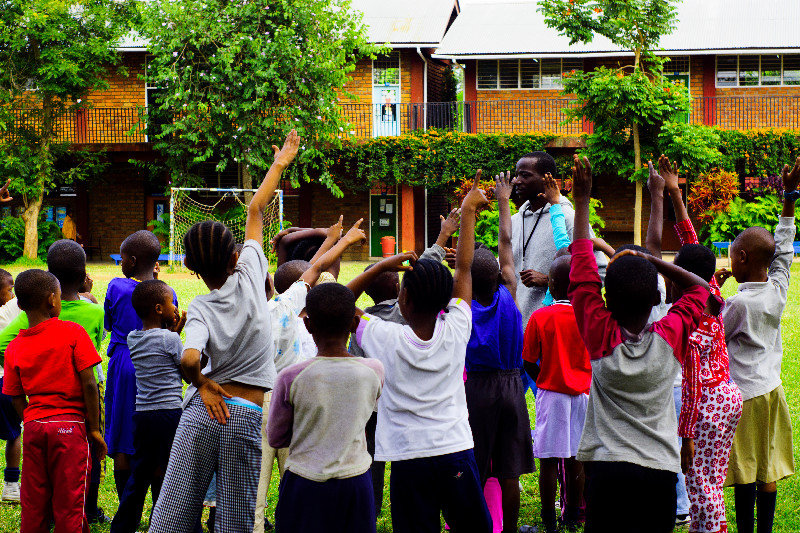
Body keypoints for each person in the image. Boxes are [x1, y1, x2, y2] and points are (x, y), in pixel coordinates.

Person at [149, 129, 300, 533]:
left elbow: (189, 358)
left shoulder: (198, 307)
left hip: (202, 412)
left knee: (171, 517)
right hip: (246, 415)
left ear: (195, 272)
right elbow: (256, 210)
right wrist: (280, 162)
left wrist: (200, 383)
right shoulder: (252, 274)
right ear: (237, 256)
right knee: (234, 521)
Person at [568, 154, 710, 533]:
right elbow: (702, 288)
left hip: (606, 470)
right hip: (658, 473)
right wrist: (655, 263)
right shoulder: (670, 334)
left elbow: (581, 269)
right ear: (656, 300)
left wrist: (582, 201)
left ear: (606, 301)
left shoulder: (598, 333)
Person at [349, 172, 492, 533]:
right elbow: (462, 268)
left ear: (404, 298)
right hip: (455, 449)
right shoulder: (459, 326)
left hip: (408, 458)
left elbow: (334, 303)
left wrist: (380, 265)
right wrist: (468, 212)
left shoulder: (383, 336)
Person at [649, 154, 744, 533]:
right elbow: (693, 243)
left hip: (704, 406)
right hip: (729, 399)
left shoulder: (688, 324)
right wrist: (673, 193)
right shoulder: (714, 294)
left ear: (679, 280)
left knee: (700, 485)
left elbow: (689, 387)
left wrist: (685, 435)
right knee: (712, 481)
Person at [254, 216, 366, 533]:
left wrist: (333, 240)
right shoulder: (288, 308)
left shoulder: (247, 314)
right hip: (292, 406)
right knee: (297, 477)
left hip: (254, 406)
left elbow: (312, 269)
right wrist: (338, 240)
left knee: (255, 491)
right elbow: (315, 269)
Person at [347, 208, 458, 522]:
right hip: (413, 420)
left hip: (370, 409)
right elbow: (430, 269)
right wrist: (444, 235)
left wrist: (381, 265)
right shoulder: (405, 315)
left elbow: (340, 299)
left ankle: (370, 513)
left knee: (370, 465)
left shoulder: (367, 322)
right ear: (401, 292)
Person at [0, 240, 108, 521]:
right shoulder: (78, 328)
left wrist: (33, 415)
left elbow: (13, 394)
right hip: (74, 422)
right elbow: (88, 382)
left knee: (34, 499)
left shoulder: (17, 340)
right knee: (73, 497)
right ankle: (90, 508)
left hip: (36, 422)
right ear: (52, 299)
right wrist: (94, 429)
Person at [721, 157, 800, 533]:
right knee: (767, 466)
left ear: (741, 258)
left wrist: (711, 292)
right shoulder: (779, 290)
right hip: (772, 391)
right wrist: (789, 197)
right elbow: (784, 251)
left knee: (745, 470)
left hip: (745, 397)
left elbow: (713, 334)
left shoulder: (736, 305)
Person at [267, 283, 384, 533]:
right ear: (354, 324)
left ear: (307, 325)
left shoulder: (290, 377)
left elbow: (276, 437)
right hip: (356, 481)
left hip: (304, 484)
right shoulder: (373, 370)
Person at [464, 171, 534, 533]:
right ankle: (509, 530)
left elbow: (465, 268)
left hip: (477, 388)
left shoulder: (463, 306)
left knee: (475, 464)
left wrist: (469, 215)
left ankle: (476, 524)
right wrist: (505, 199)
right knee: (508, 470)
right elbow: (506, 242)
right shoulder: (510, 293)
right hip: (512, 387)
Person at [111, 279, 188, 533]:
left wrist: (172, 331)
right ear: (158, 309)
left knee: (140, 472)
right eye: (171, 303)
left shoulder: (133, 339)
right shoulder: (171, 340)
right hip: (169, 414)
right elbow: (185, 369)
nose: (175, 308)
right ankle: (170, 522)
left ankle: (123, 527)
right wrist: (179, 332)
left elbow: (158, 347)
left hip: (142, 415)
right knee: (171, 471)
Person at [523, 254, 591, 533]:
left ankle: (548, 518)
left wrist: (544, 381)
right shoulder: (587, 317)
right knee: (577, 457)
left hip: (552, 394)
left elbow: (528, 360)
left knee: (549, 460)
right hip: (583, 395)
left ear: (550, 284)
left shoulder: (540, 316)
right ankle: (574, 514)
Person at [104, 229, 174, 500]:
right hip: (157, 365)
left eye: (122, 259)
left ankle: (126, 506)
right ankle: (159, 512)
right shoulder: (167, 293)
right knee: (154, 434)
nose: (120, 264)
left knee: (122, 433)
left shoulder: (116, 286)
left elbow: (111, 323)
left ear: (132, 260)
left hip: (124, 362)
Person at [510, 151, 607, 323]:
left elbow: (598, 274)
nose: (516, 181)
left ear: (546, 178)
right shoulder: (515, 221)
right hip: (519, 332)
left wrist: (550, 280)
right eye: (517, 174)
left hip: (555, 331)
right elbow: (507, 267)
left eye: (524, 175)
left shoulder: (568, 218)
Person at [0, 269, 21, 505]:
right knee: (14, 435)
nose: (12, 293)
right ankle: (11, 485)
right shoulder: (10, 310)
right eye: (9, 289)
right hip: (5, 383)